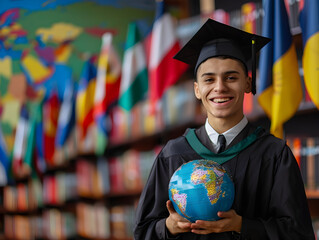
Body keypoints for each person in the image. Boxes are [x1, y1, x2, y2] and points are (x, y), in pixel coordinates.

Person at [134, 19, 315, 240]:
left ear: (248, 84)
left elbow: (299, 234)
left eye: (231, 77)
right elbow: (142, 231)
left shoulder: (274, 154)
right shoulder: (172, 154)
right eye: (209, 79)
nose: (220, 87)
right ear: (197, 90)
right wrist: (169, 226)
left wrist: (243, 226)